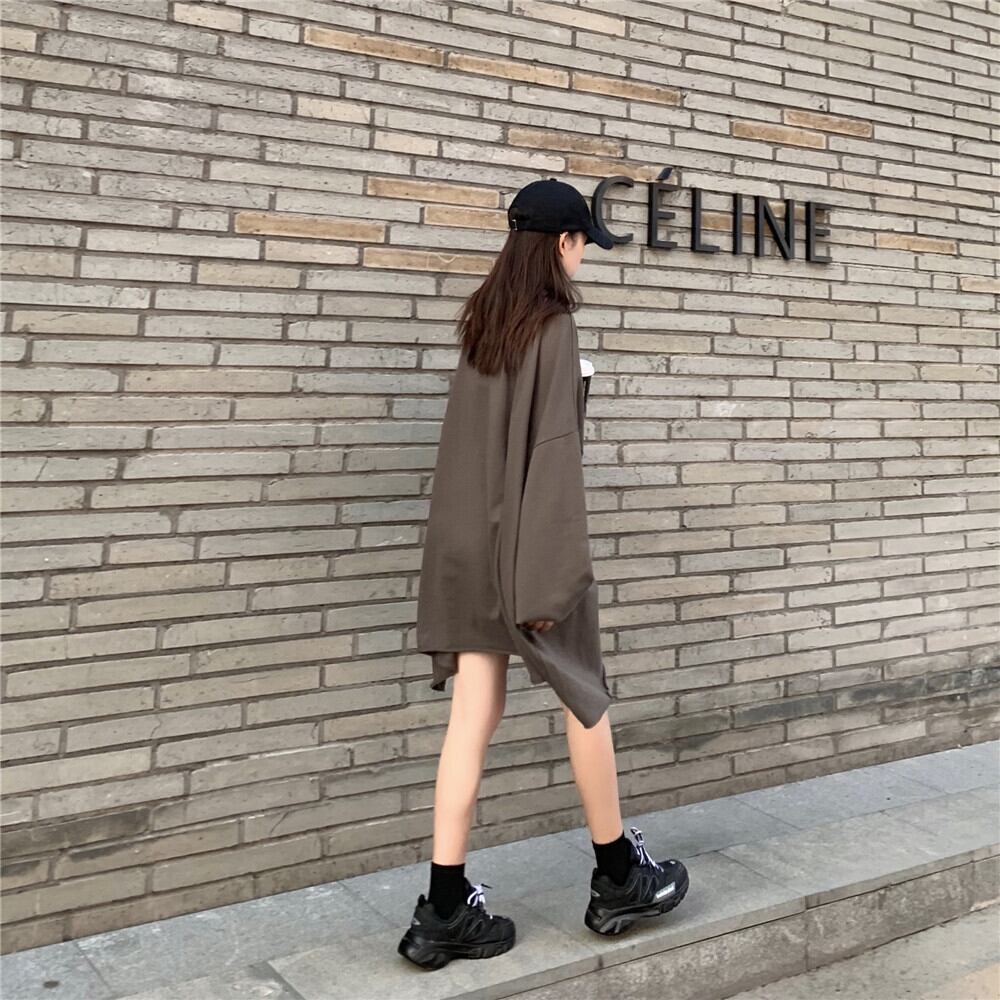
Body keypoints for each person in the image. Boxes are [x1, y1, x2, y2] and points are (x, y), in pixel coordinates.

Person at [397, 178, 689, 971]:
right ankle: (619, 875)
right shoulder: (553, 327)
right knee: (584, 696)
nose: (585, 254)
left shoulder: (482, 326)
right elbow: (552, 457)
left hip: (465, 546)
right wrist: (553, 580)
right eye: (584, 241)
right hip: (531, 545)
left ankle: (443, 907)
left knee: (472, 713)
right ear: (562, 242)